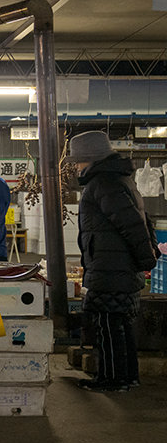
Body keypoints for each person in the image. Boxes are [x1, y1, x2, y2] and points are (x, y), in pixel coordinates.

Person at [70, 131, 158, 392]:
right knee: (121, 326)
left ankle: (111, 380)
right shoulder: (120, 180)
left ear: (90, 158)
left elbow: (132, 225)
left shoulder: (104, 184)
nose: (76, 166)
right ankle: (127, 377)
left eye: (78, 160)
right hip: (117, 268)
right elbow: (144, 221)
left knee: (108, 327)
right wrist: (145, 257)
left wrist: (146, 258)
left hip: (111, 270)